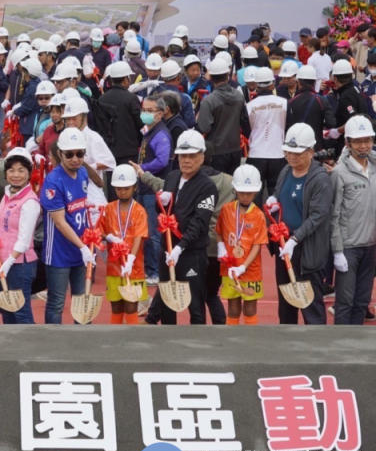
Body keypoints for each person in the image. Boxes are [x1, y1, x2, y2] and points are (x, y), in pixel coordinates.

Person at [135, 129, 218, 325]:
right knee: (166, 301)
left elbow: (200, 221)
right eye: (183, 156)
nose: (186, 160)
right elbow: (162, 212)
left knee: (195, 305)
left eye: (192, 156)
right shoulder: (172, 178)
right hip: (168, 249)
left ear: (202, 156)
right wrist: (161, 202)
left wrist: (181, 247)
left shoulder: (207, 187)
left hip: (191, 253)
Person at [266, 123, 332, 325]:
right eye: (288, 152)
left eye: (297, 153)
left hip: (307, 248)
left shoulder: (320, 179)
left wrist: (295, 239)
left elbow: (317, 215)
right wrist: (273, 201)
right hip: (283, 243)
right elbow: (280, 194)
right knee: (286, 299)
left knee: (310, 301)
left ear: (311, 151)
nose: (292, 157)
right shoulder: (286, 170)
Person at [39, 129, 94, 324]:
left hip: (81, 249)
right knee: (57, 302)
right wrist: (82, 246)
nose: (75, 159)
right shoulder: (53, 182)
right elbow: (60, 222)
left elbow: (82, 207)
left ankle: (83, 340)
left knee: (82, 299)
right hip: (58, 252)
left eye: (80, 153)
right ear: (60, 154)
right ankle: (53, 343)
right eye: (69, 154)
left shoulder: (83, 174)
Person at [329, 115, 376, 325]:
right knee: (345, 302)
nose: (364, 145)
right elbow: (334, 214)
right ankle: (340, 352)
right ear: (348, 143)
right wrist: (337, 250)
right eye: (358, 141)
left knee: (362, 301)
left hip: (371, 246)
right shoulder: (339, 173)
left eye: (367, 140)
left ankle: (357, 349)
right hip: (349, 247)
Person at [0, 147, 39, 324]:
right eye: (11, 170)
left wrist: (8, 264)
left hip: (19, 265)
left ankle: (30, 350)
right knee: (5, 309)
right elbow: (2, 217)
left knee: (21, 312)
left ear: (29, 173)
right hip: (2, 262)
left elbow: (24, 241)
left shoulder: (30, 202)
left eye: (21, 170)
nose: (16, 175)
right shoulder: (7, 194)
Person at [215, 165, 268, 326]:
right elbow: (219, 232)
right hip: (230, 269)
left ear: (256, 192)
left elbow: (258, 245)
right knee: (232, 306)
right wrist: (221, 247)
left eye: (249, 193)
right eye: (242, 192)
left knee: (250, 308)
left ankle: (251, 339)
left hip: (250, 271)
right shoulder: (226, 210)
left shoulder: (258, 215)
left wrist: (244, 266)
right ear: (235, 190)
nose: (245, 196)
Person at [100, 164, 149, 324]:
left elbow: (139, 236)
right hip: (114, 267)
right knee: (116, 306)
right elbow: (98, 231)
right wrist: (109, 238)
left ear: (134, 187)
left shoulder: (139, 210)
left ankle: (133, 338)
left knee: (131, 306)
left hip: (134, 268)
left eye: (126, 188)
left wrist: (131, 259)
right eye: (118, 188)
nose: (122, 191)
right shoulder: (108, 209)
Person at [136, 94, 171, 284]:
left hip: (153, 189)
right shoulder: (149, 131)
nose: (145, 114)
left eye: (149, 111)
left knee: (153, 233)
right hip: (145, 187)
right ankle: (151, 270)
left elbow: (162, 160)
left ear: (160, 113)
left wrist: (142, 169)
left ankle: (156, 271)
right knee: (146, 232)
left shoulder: (161, 135)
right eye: (144, 110)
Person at [196, 57, 249, 174]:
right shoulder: (239, 96)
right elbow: (245, 123)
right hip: (235, 149)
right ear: (227, 75)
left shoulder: (209, 101)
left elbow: (204, 127)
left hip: (215, 151)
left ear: (211, 78)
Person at [245, 67, 288, 198]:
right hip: (278, 154)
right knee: (275, 195)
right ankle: (275, 218)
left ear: (257, 85)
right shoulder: (284, 103)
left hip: (256, 154)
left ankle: (255, 218)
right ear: (272, 84)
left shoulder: (249, 106)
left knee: (255, 194)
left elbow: (247, 130)